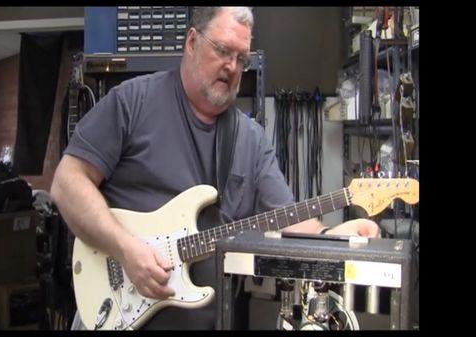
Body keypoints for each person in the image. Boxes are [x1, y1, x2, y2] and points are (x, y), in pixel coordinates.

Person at [51, 6, 379, 330]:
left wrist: (332, 237)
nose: (232, 67)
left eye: (241, 59)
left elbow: (287, 217)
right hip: (116, 309)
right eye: (222, 50)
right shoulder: (132, 102)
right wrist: (124, 248)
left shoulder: (251, 141)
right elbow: (67, 184)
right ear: (192, 42)